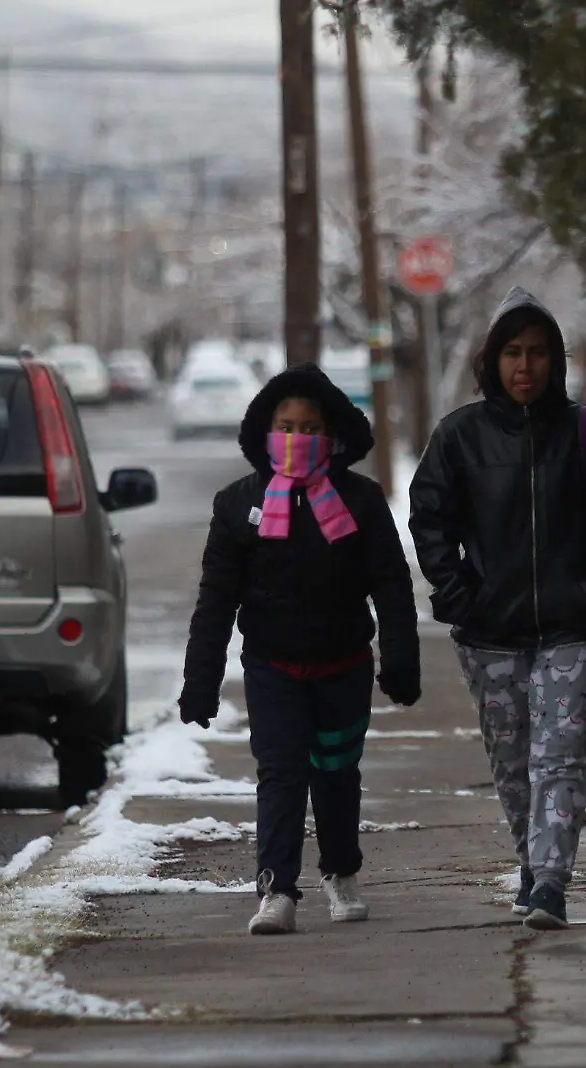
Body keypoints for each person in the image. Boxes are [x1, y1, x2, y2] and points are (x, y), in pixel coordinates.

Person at [408, 288, 586, 930]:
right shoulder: (459, 437)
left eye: (539, 353)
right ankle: (532, 864)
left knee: (562, 751)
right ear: (491, 361)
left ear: (556, 361)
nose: (526, 367)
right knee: (514, 761)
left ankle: (549, 882)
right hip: (490, 633)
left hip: (577, 629)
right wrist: (460, 593)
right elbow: (429, 518)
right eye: (513, 353)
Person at [178, 362, 421, 935]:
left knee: (336, 773)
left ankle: (340, 871)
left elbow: (390, 583)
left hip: (343, 665)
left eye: (309, 427)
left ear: (331, 435)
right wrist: (200, 680)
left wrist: (402, 661)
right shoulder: (239, 505)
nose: (297, 439)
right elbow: (216, 599)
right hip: (272, 666)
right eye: (285, 426)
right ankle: (276, 888)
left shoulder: (359, 501)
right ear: (265, 434)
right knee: (281, 772)